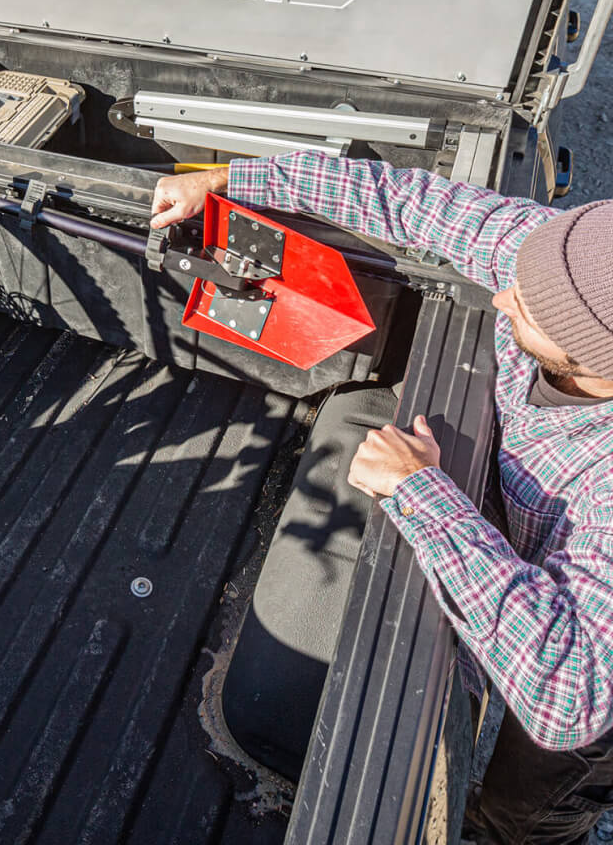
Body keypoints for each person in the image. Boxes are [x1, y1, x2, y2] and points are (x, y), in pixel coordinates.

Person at [151, 151, 613, 845]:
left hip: (595, 694)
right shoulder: (563, 263)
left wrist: (421, 493)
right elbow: (407, 198)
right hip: (548, 568)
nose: (500, 295)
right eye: (517, 277)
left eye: (527, 306)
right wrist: (229, 181)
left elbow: (567, 694)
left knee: (539, 795)